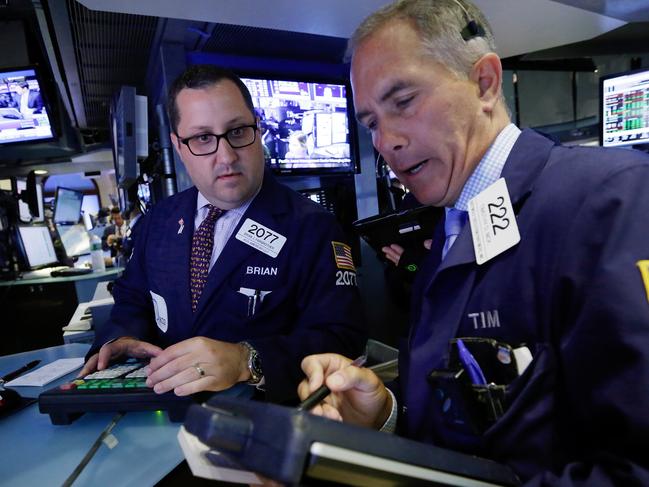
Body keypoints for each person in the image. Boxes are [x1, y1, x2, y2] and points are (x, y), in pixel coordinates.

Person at [299, 0, 649, 484]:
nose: (386, 142)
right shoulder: (451, 225)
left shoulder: (610, 198)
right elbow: (464, 427)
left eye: (402, 101)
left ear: (484, 82)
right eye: (371, 123)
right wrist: (384, 414)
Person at [80, 64, 366, 404]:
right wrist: (120, 337)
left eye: (238, 131)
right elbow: (132, 298)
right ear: (179, 146)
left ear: (258, 129)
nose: (226, 156)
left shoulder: (313, 228)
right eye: (203, 138)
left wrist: (249, 360)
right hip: (167, 416)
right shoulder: (158, 220)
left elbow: (342, 339)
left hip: (264, 423)